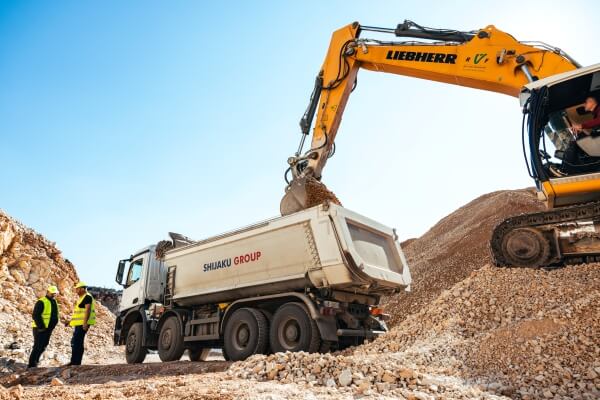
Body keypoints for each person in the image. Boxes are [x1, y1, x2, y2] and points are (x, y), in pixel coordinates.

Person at [550, 95, 600, 177]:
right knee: (579, 141)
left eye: (586, 102)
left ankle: (565, 170)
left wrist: (581, 126)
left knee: (575, 144)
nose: (584, 104)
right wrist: (581, 131)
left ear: (592, 102)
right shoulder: (596, 114)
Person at [64, 281, 96, 366]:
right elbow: (78, 313)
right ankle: (74, 361)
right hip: (79, 323)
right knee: (76, 342)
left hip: (82, 324)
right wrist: (70, 322)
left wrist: (85, 323)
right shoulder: (81, 298)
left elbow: (88, 310)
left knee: (77, 342)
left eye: (77, 289)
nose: (76, 290)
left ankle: (76, 362)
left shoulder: (87, 297)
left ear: (82, 289)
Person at [28, 285, 59, 368]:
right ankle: (31, 365)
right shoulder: (41, 301)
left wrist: (53, 325)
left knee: (44, 345)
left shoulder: (54, 301)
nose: (53, 295)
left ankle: (36, 362)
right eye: (52, 293)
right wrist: (41, 327)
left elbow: (54, 315)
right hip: (40, 328)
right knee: (37, 346)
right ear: (48, 292)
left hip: (48, 328)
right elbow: (35, 315)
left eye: (55, 293)